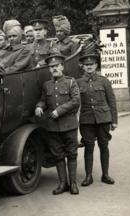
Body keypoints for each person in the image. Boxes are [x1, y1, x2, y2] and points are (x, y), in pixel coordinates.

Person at [35, 54, 80, 195]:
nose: (54, 69)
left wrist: (58, 111)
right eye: (51, 67)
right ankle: (62, 184)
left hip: (69, 125)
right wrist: (39, 106)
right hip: (53, 126)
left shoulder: (71, 82)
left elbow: (75, 101)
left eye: (56, 66)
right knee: (58, 155)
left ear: (62, 66)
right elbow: (43, 99)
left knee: (72, 154)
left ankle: (73, 184)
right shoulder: (46, 85)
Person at [77, 54, 118, 186]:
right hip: (86, 119)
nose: (89, 66)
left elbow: (111, 101)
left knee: (104, 146)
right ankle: (88, 176)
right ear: (83, 67)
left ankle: (105, 174)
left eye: (92, 64)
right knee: (88, 147)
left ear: (96, 65)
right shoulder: (78, 82)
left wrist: (114, 120)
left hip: (103, 118)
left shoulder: (104, 81)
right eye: (86, 65)